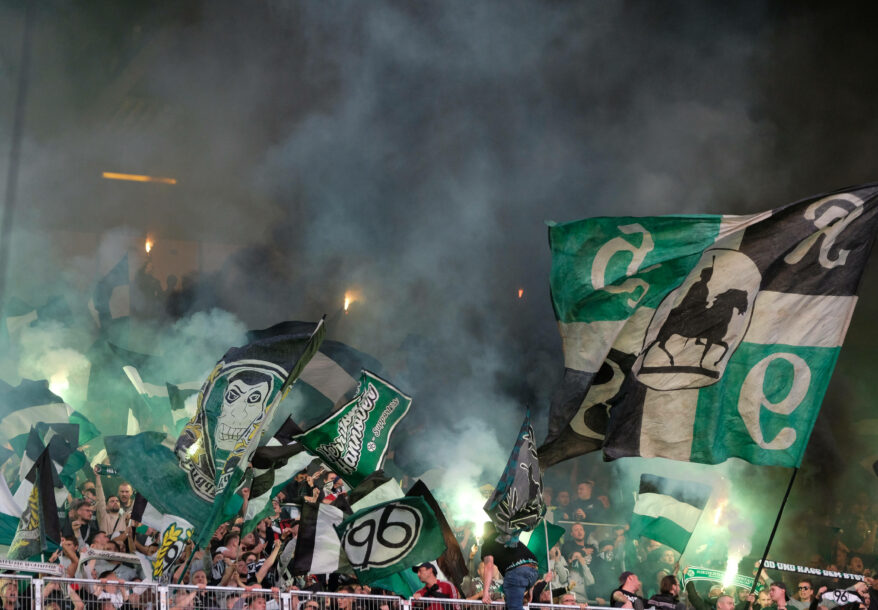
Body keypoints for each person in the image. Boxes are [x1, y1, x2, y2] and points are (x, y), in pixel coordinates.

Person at [481, 522, 541, 610]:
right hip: (534, 569)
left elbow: (489, 566)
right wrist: (530, 586)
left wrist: (485, 592)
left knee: (514, 608)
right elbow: (524, 560)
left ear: (485, 532)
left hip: (517, 572)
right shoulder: (507, 536)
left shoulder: (488, 543)